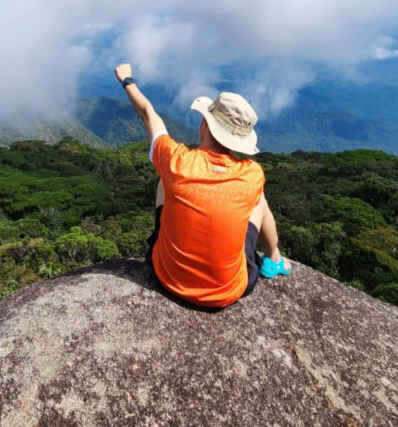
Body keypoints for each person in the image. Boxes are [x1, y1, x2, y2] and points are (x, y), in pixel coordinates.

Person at [114, 63, 291, 309]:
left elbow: (147, 113)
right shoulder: (252, 175)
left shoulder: (176, 162)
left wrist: (127, 80)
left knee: (165, 182)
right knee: (258, 200)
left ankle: (162, 241)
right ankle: (274, 258)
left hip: (168, 278)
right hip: (228, 291)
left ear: (205, 125)